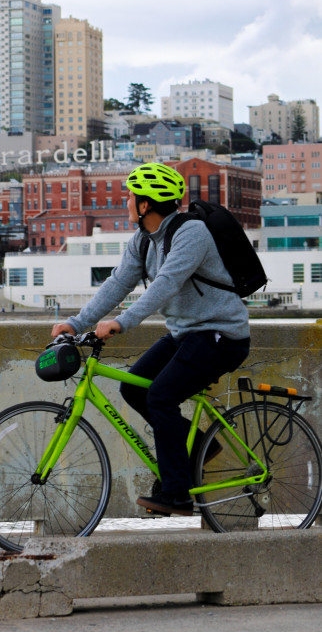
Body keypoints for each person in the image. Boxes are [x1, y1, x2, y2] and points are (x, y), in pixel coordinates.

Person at [51, 162, 250, 517]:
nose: (127, 202)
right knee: (134, 388)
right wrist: (76, 322)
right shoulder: (143, 240)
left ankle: (177, 494)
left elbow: (167, 283)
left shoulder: (192, 233)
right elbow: (118, 283)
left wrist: (123, 322)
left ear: (145, 205)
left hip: (222, 335)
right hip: (185, 333)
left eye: (131, 197)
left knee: (160, 397)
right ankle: (201, 447)